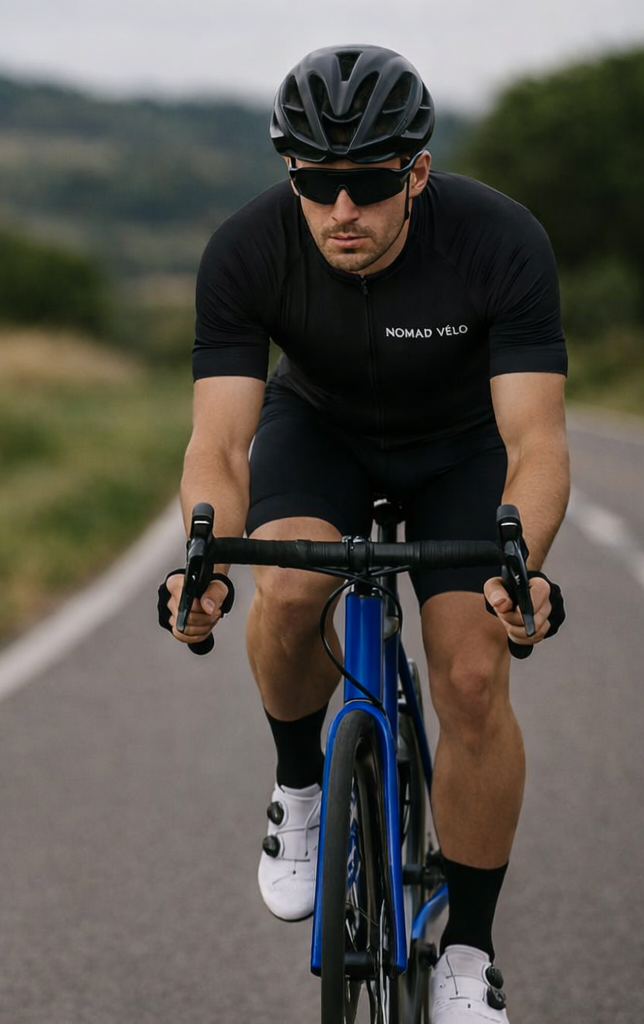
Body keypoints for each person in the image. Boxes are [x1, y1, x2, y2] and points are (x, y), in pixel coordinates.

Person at [158, 44, 568, 1024]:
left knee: (470, 675)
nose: (342, 210)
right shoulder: (247, 248)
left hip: (459, 451)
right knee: (289, 589)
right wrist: (203, 555)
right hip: (323, 433)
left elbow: (534, 439)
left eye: (371, 183)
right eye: (316, 183)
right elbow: (217, 440)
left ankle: (466, 950)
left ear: (415, 172)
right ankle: (299, 787)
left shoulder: (497, 239)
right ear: (289, 173)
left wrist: (522, 561)